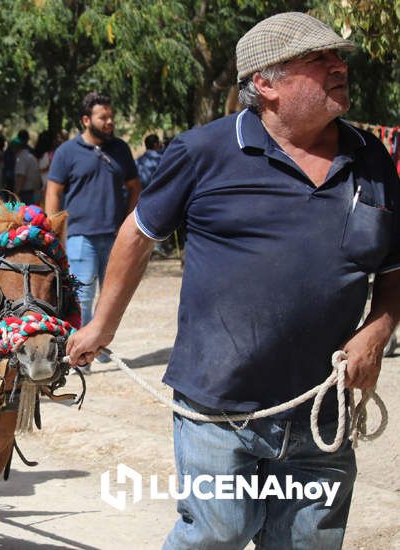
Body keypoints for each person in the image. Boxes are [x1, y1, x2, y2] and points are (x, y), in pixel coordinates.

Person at [67, 12, 400, 549]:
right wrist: (101, 326)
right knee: (218, 533)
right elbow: (138, 232)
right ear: (265, 84)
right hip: (219, 408)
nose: (340, 66)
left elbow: (392, 272)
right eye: (319, 60)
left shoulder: (371, 157)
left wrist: (377, 331)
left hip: (322, 408)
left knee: (308, 544)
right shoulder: (204, 152)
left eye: (338, 57)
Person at [45, 92, 141, 334]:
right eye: (103, 117)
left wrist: (129, 221)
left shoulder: (120, 148)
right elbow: (53, 192)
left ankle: (100, 343)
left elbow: (134, 187)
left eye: (111, 117)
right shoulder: (67, 151)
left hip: (115, 237)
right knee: (82, 297)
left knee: (111, 296)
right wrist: (51, 232)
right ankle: (80, 347)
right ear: (86, 120)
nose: (109, 122)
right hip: (80, 237)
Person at [12, 131, 43, 205]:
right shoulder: (30, 156)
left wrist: (16, 195)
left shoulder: (21, 158)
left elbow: (21, 177)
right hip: (34, 192)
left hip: (25, 194)